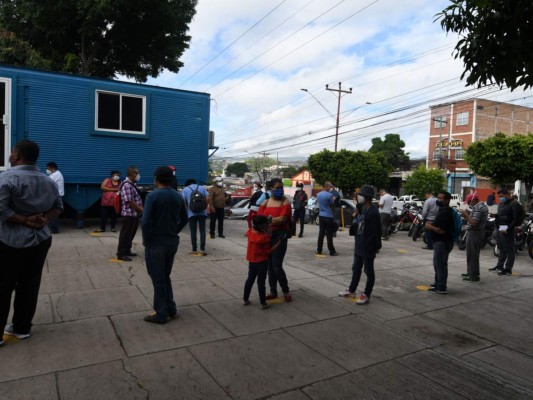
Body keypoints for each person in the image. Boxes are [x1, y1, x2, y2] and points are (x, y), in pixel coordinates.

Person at [0, 140, 63, 344]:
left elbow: (1, 209)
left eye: (12, 152)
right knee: (30, 284)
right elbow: (58, 206)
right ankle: (22, 328)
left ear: (16, 156)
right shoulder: (48, 181)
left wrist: (24, 219)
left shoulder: (6, 178)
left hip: (9, 241)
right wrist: (44, 219)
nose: (10, 155)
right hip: (40, 239)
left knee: (3, 285)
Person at [141, 166, 188, 324]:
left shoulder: (152, 196)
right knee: (165, 276)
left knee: (157, 278)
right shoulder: (177, 196)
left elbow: (146, 221)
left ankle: (160, 313)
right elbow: (185, 218)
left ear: (156, 179)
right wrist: (174, 230)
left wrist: (146, 240)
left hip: (156, 243)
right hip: (171, 241)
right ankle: (170, 308)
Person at [339, 185, 381, 304]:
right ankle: (352, 290)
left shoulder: (373, 212)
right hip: (359, 243)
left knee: (368, 271)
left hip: (368, 246)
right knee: (356, 268)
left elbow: (375, 232)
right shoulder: (361, 208)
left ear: (367, 197)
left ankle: (366, 294)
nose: (358, 197)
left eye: (360, 195)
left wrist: (374, 247)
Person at [258, 178, 292, 302]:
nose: (280, 190)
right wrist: (271, 220)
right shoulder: (265, 202)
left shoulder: (285, 202)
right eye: (277, 188)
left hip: (279, 236)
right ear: (270, 188)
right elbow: (258, 219)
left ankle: (286, 290)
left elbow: (282, 219)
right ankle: (273, 291)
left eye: (281, 188)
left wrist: (266, 220)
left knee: (276, 265)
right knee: (269, 267)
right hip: (266, 237)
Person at [243, 215, 281, 310]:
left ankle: (245, 299)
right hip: (262, 262)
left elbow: (249, 232)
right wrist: (277, 244)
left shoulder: (250, 232)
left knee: (250, 280)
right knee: (261, 283)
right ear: (262, 226)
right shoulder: (264, 237)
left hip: (252, 261)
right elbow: (268, 251)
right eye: (266, 225)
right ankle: (263, 303)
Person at [424, 191, 455, 294]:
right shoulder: (442, 210)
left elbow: (442, 230)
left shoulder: (446, 212)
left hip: (442, 242)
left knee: (440, 264)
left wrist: (430, 226)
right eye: (438, 198)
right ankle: (438, 283)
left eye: (441, 198)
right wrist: (433, 223)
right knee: (437, 264)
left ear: (447, 200)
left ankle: (441, 287)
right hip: (439, 241)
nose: (438, 200)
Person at [489, 188, 523, 275]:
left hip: (507, 229)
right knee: (501, 248)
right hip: (499, 227)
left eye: (501, 196)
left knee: (510, 249)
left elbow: (516, 219)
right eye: (499, 196)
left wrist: (508, 228)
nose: (500, 198)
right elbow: (501, 215)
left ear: (507, 194)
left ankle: (508, 269)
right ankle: (500, 266)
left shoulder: (515, 204)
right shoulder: (502, 204)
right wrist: (495, 215)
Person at [116, 166, 143, 261]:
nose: (138, 175)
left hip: (134, 215)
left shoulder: (132, 184)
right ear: (131, 173)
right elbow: (129, 201)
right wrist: (141, 209)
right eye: (136, 173)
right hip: (128, 214)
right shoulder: (127, 185)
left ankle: (127, 250)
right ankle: (121, 254)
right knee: (125, 235)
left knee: (131, 234)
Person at [461, 193, 488, 282]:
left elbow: (474, 223)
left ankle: (474, 275)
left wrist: (466, 215)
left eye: (469, 202)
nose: (469, 204)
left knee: (473, 255)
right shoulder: (480, 207)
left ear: (474, 200)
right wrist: (468, 215)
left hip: (475, 232)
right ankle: (470, 272)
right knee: (471, 254)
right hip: (475, 232)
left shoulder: (478, 208)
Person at [182, 178, 208, 255]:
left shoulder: (185, 189)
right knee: (202, 230)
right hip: (202, 213)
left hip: (191, 213)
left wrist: (186, 211)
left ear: (187, 184)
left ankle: (194, 249)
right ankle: (202, 249)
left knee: (193, 231)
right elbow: (207, 198)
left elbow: (183, 201)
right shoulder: (202, 188)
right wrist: (204, 207)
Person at [315, 182, 338, 256]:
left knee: (321, 233)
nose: (331, 188)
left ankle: (319, 250)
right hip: (328, 216)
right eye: (330, 186)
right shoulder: (330, 195)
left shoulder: (319, 194)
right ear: (327, 186)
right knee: (329, 234)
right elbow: (331, 205)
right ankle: (332, 251)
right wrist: (334, 211)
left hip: (321, 215)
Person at [46, 162, 64, 233]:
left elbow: (46, 182)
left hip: (56, 197)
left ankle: (54, 229)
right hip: (54, 196)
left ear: (52, 168)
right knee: (52, 213)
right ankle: (52, 228)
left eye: (48, 168)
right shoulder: (54, 174)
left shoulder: (56, 175)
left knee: (53, 214)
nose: (47, 170)